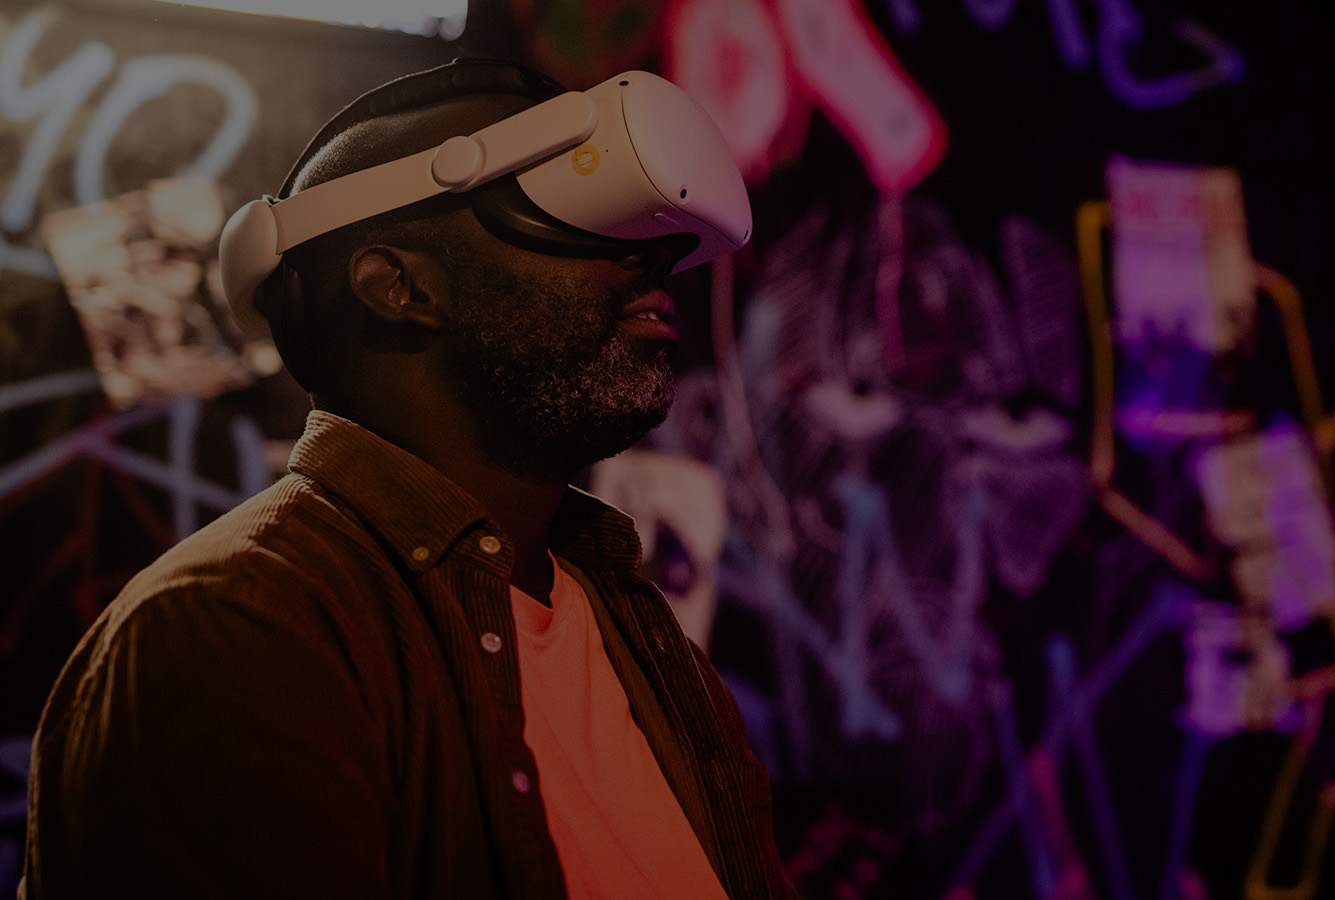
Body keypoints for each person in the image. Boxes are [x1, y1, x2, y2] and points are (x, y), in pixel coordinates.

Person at [22, 58, 794, 899]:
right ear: (400, 286)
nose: (654, 259)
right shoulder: (239, 626)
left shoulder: (632, 624)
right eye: (572, 213)